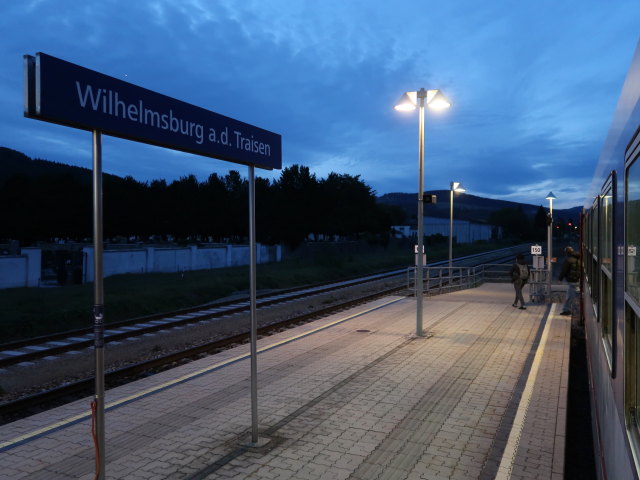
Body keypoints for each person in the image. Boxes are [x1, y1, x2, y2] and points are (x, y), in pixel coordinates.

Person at [559, 246, 580, 315]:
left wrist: (560, 278)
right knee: (573, 294)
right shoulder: (579, 258)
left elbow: (564, 270)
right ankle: (568, 309)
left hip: (571, 280)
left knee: (570, 296)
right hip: (577, 279)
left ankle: (567, 310)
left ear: (567, 253)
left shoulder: (568, 260)